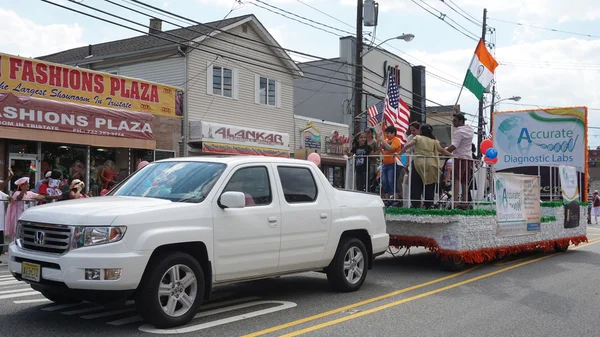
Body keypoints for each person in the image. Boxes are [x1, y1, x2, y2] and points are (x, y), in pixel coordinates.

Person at [398, 124, 453, 209]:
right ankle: (428, 204)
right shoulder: (434, 141)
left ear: (421, 131)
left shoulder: (418, 138)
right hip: (432, 164)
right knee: (430, 185)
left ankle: (416, 204)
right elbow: (441, 150)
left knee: (416, 184)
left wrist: (399, 153)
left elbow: (408, 145)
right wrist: (452, 155)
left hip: (418, 163)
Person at [446, 107, 474, 208]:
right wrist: (457, 113)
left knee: (456, 179)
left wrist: (444, 151)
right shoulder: (470, 129)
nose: (453, 123)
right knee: (465, 181)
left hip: (459, 158)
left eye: (455, 121)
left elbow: (454, 146)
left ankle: (455, 201)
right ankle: (465, 201)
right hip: (468, 158)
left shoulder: (459, 131)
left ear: (460, 121)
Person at [378, 126, 402, 201]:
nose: (386, 135)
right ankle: (387, 199)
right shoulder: (386, 140)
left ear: (393, 133)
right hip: (385, 164)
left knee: (392, 181)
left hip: (393, 163)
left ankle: (395, 199)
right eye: (386, 133)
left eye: (388, 133)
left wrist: (383, 141)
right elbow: (380, 149)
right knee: (385, 182)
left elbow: (391, 149)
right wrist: (379, 141)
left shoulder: (396, 140)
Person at [0, 169, 14, 251]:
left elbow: (8, 197)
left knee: (1, 241)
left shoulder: (0, 193)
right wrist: (10, 177)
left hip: (0, 222)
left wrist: (10, 198)